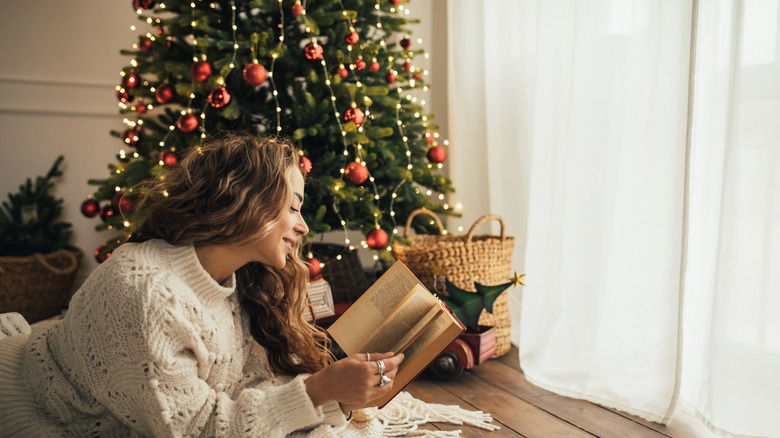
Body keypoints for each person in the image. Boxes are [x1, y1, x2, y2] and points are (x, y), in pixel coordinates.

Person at [0, 132, 404, 437]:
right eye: (294, 206)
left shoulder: (236, 277)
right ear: (249, 199)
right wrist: (317, 391)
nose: (303, 225)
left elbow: (247, 385)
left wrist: (337, 400)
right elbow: (196, 428)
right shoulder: (149, 293)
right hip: (32, 406)